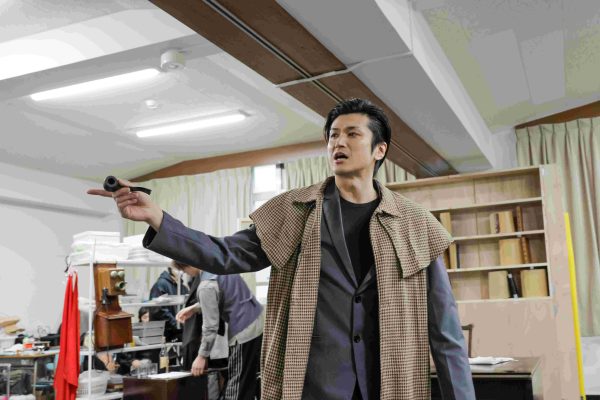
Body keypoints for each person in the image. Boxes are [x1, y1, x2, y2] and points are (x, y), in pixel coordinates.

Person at [89, 98, 475, 399]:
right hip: (314, 387)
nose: (338, 142)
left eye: (352, 134)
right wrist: (158, 218)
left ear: (379, 149)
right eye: (332, 135)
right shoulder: (294, 211)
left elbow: (446, 335)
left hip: (390, 384)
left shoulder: (415, 224)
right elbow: (224, 254)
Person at [173, 262, 263, 400]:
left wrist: (201, 356)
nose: (187, 274)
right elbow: (223, 295)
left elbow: (210, 326)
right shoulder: (220, 268)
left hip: (243, 330)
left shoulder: (206, 285)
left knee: (236, 386)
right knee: (247, 383)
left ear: (189, 265)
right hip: (256, 323)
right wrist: (195, 308)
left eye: (184, 271)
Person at [148, 263, 189, 342]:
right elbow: (158, 309)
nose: (180, 270)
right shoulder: (161, 284)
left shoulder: (183, 287)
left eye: (181, 268)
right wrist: (176, 324)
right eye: (177, 267)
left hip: (178, 331)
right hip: (163, 332)